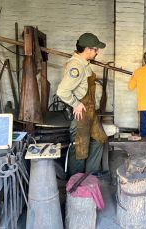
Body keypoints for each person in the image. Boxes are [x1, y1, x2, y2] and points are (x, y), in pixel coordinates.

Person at [57, 33, 107, 176]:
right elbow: (62, 91)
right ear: (87, 49)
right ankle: (76, 183)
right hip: (81, 114)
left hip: (90, 112)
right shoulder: (76, 66)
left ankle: (90, 176)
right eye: (96, 49)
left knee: (98, 140)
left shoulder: (85, 64)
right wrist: (75, 104)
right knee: (80, 149)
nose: (97, 52)